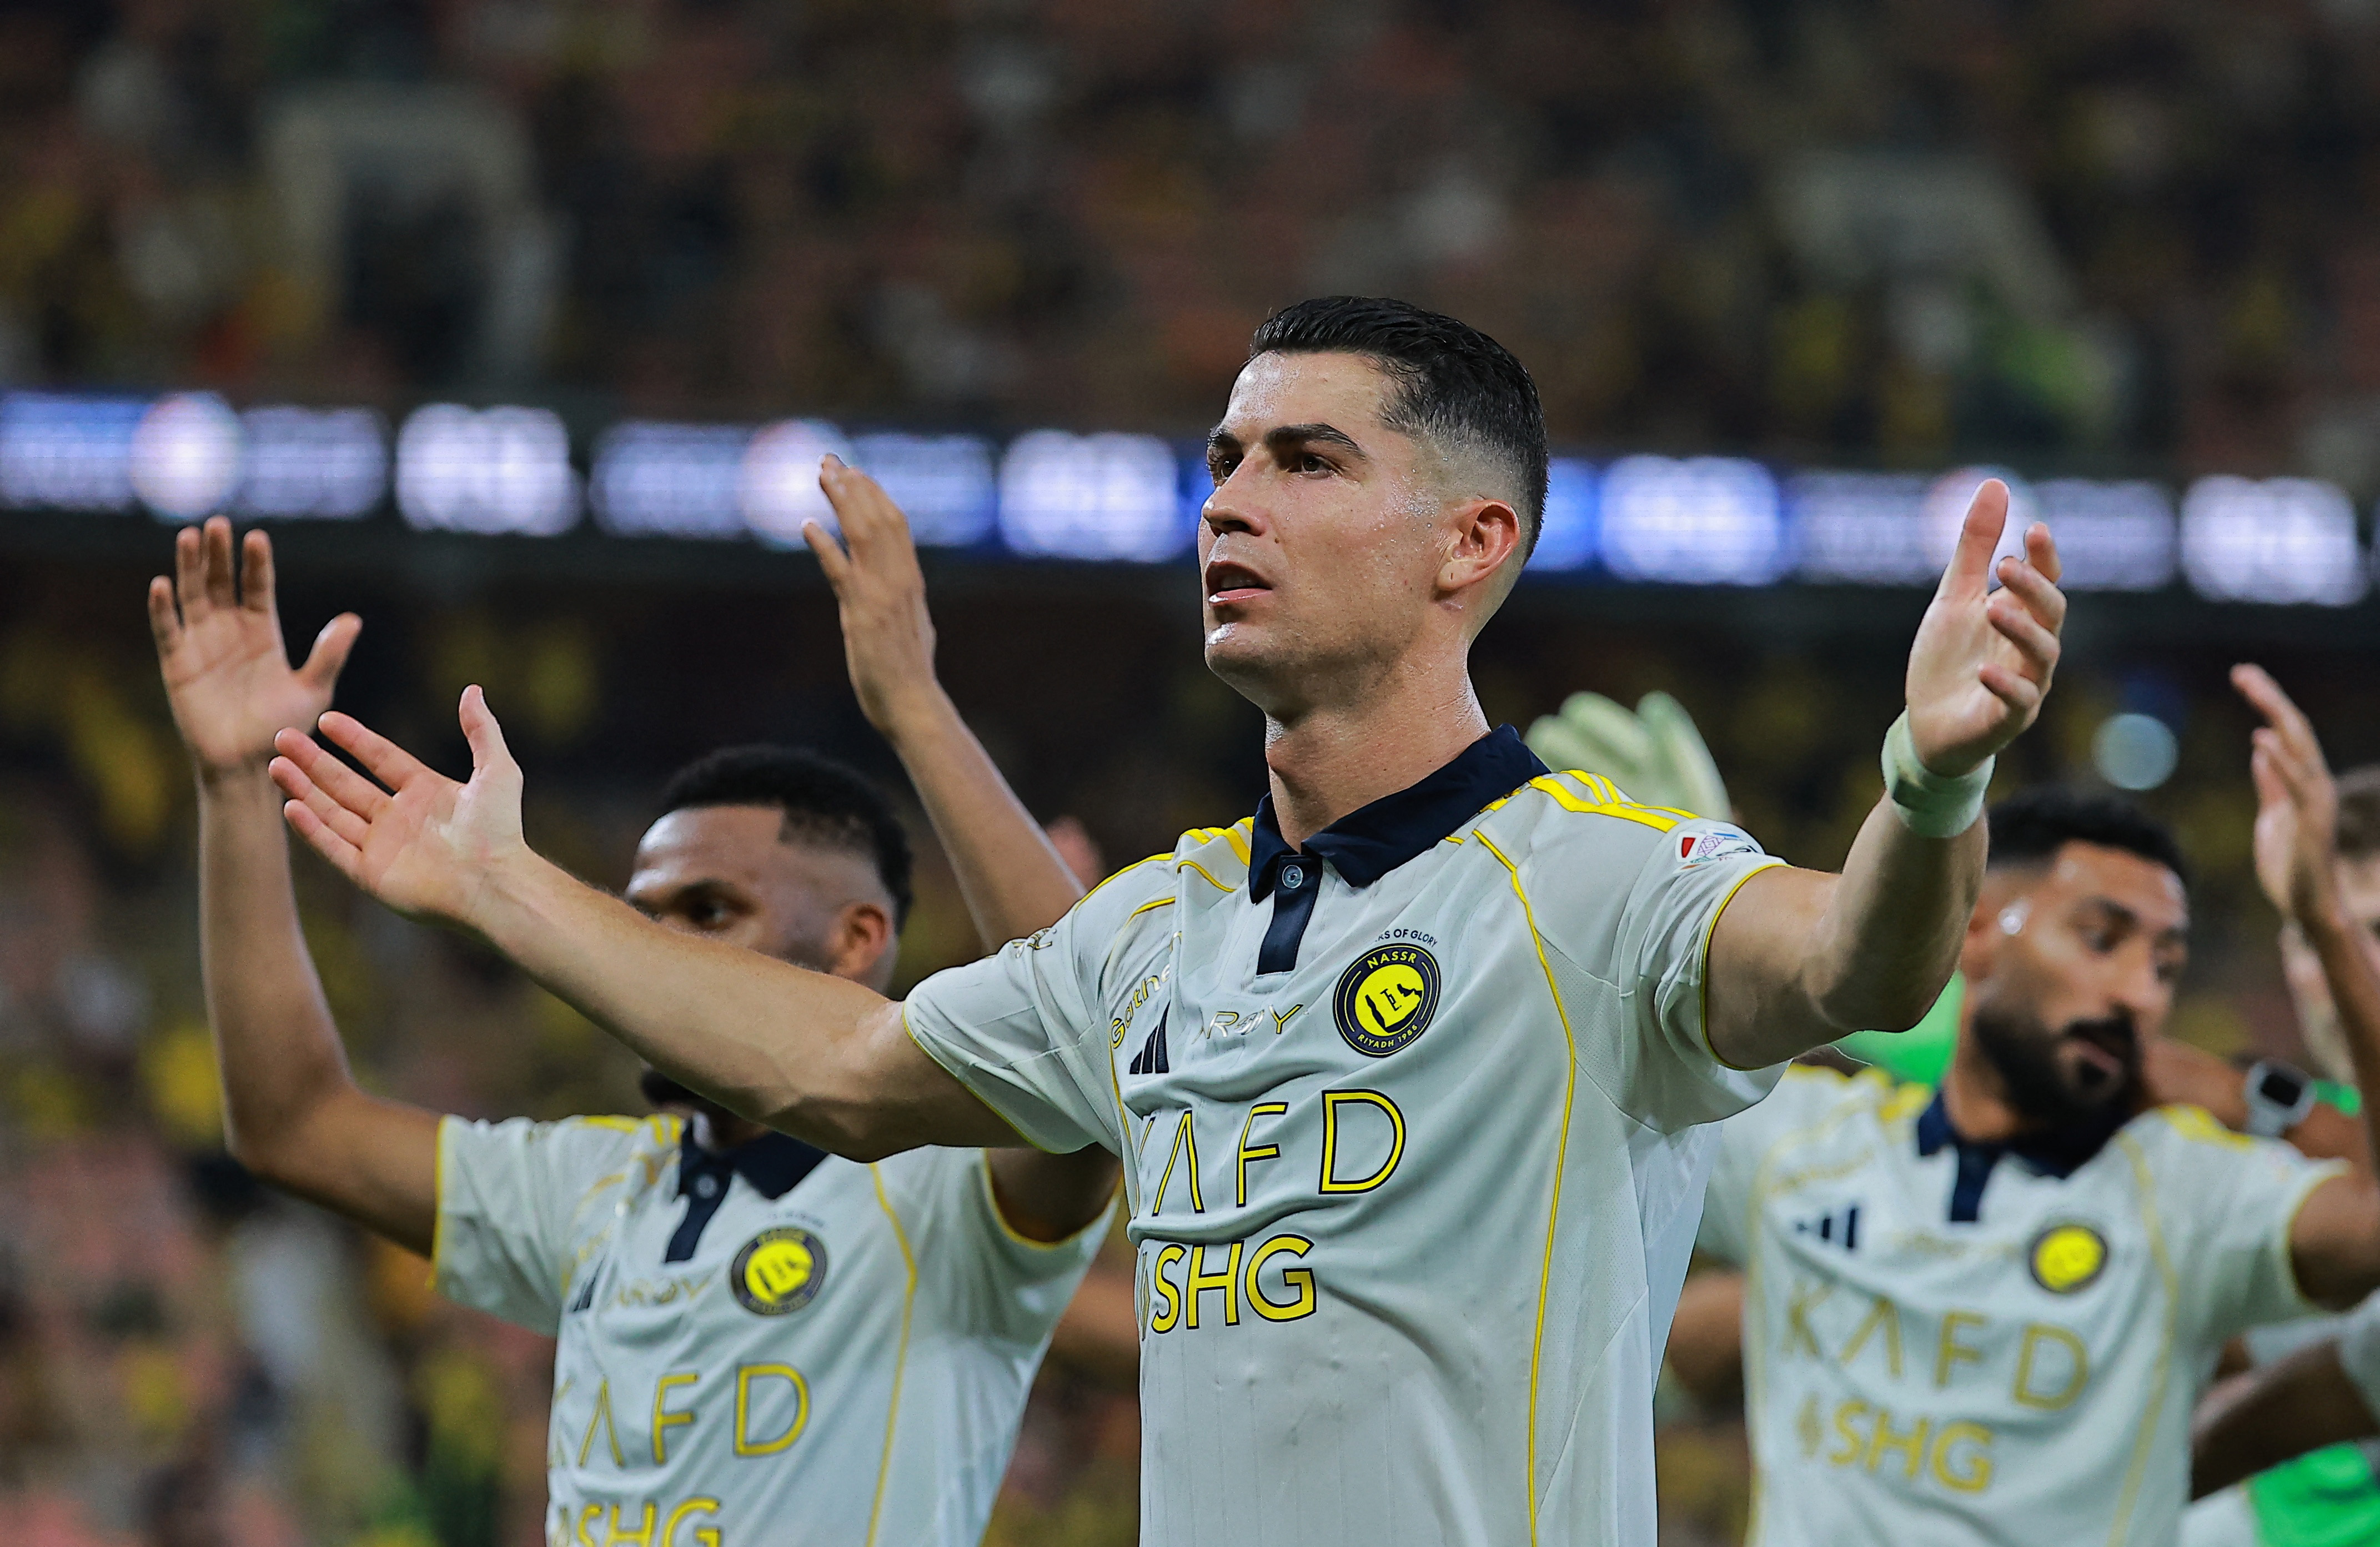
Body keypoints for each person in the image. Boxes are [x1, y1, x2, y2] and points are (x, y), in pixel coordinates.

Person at [258, 295, 2069, 1546]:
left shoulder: (1592, 876)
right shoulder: (1161, 922)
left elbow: (1857, 962)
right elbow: (847, 1065)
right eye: (1221, 456)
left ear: (1468, 543)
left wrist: (1925, 783)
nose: (1227, 498)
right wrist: (499, 880)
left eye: (1304, 460)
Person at [147, 482, 1118, 1547]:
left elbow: (1074, 1046)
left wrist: (912, 707)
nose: (653, 948)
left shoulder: (945, 1191)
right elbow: (294, 1124)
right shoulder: (596, 1189)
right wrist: (238, 785)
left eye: (711, 910)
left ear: (857, 939)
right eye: (639, 915)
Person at [1668, 666, 2380, 1547]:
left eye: (2164, 965)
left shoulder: (2191, 1195)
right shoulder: (1803, 1146)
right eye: (2100, 938)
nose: (2136, 993)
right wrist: (1695, 906)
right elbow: (1602, 1098)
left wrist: (2324, 916)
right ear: (1974, 933)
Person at [2178, 766, 2380, 1547]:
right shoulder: (2262, 1161)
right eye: (2320, 934)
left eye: (2376, 932)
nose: (2344, 973)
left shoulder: (2274, 1124)